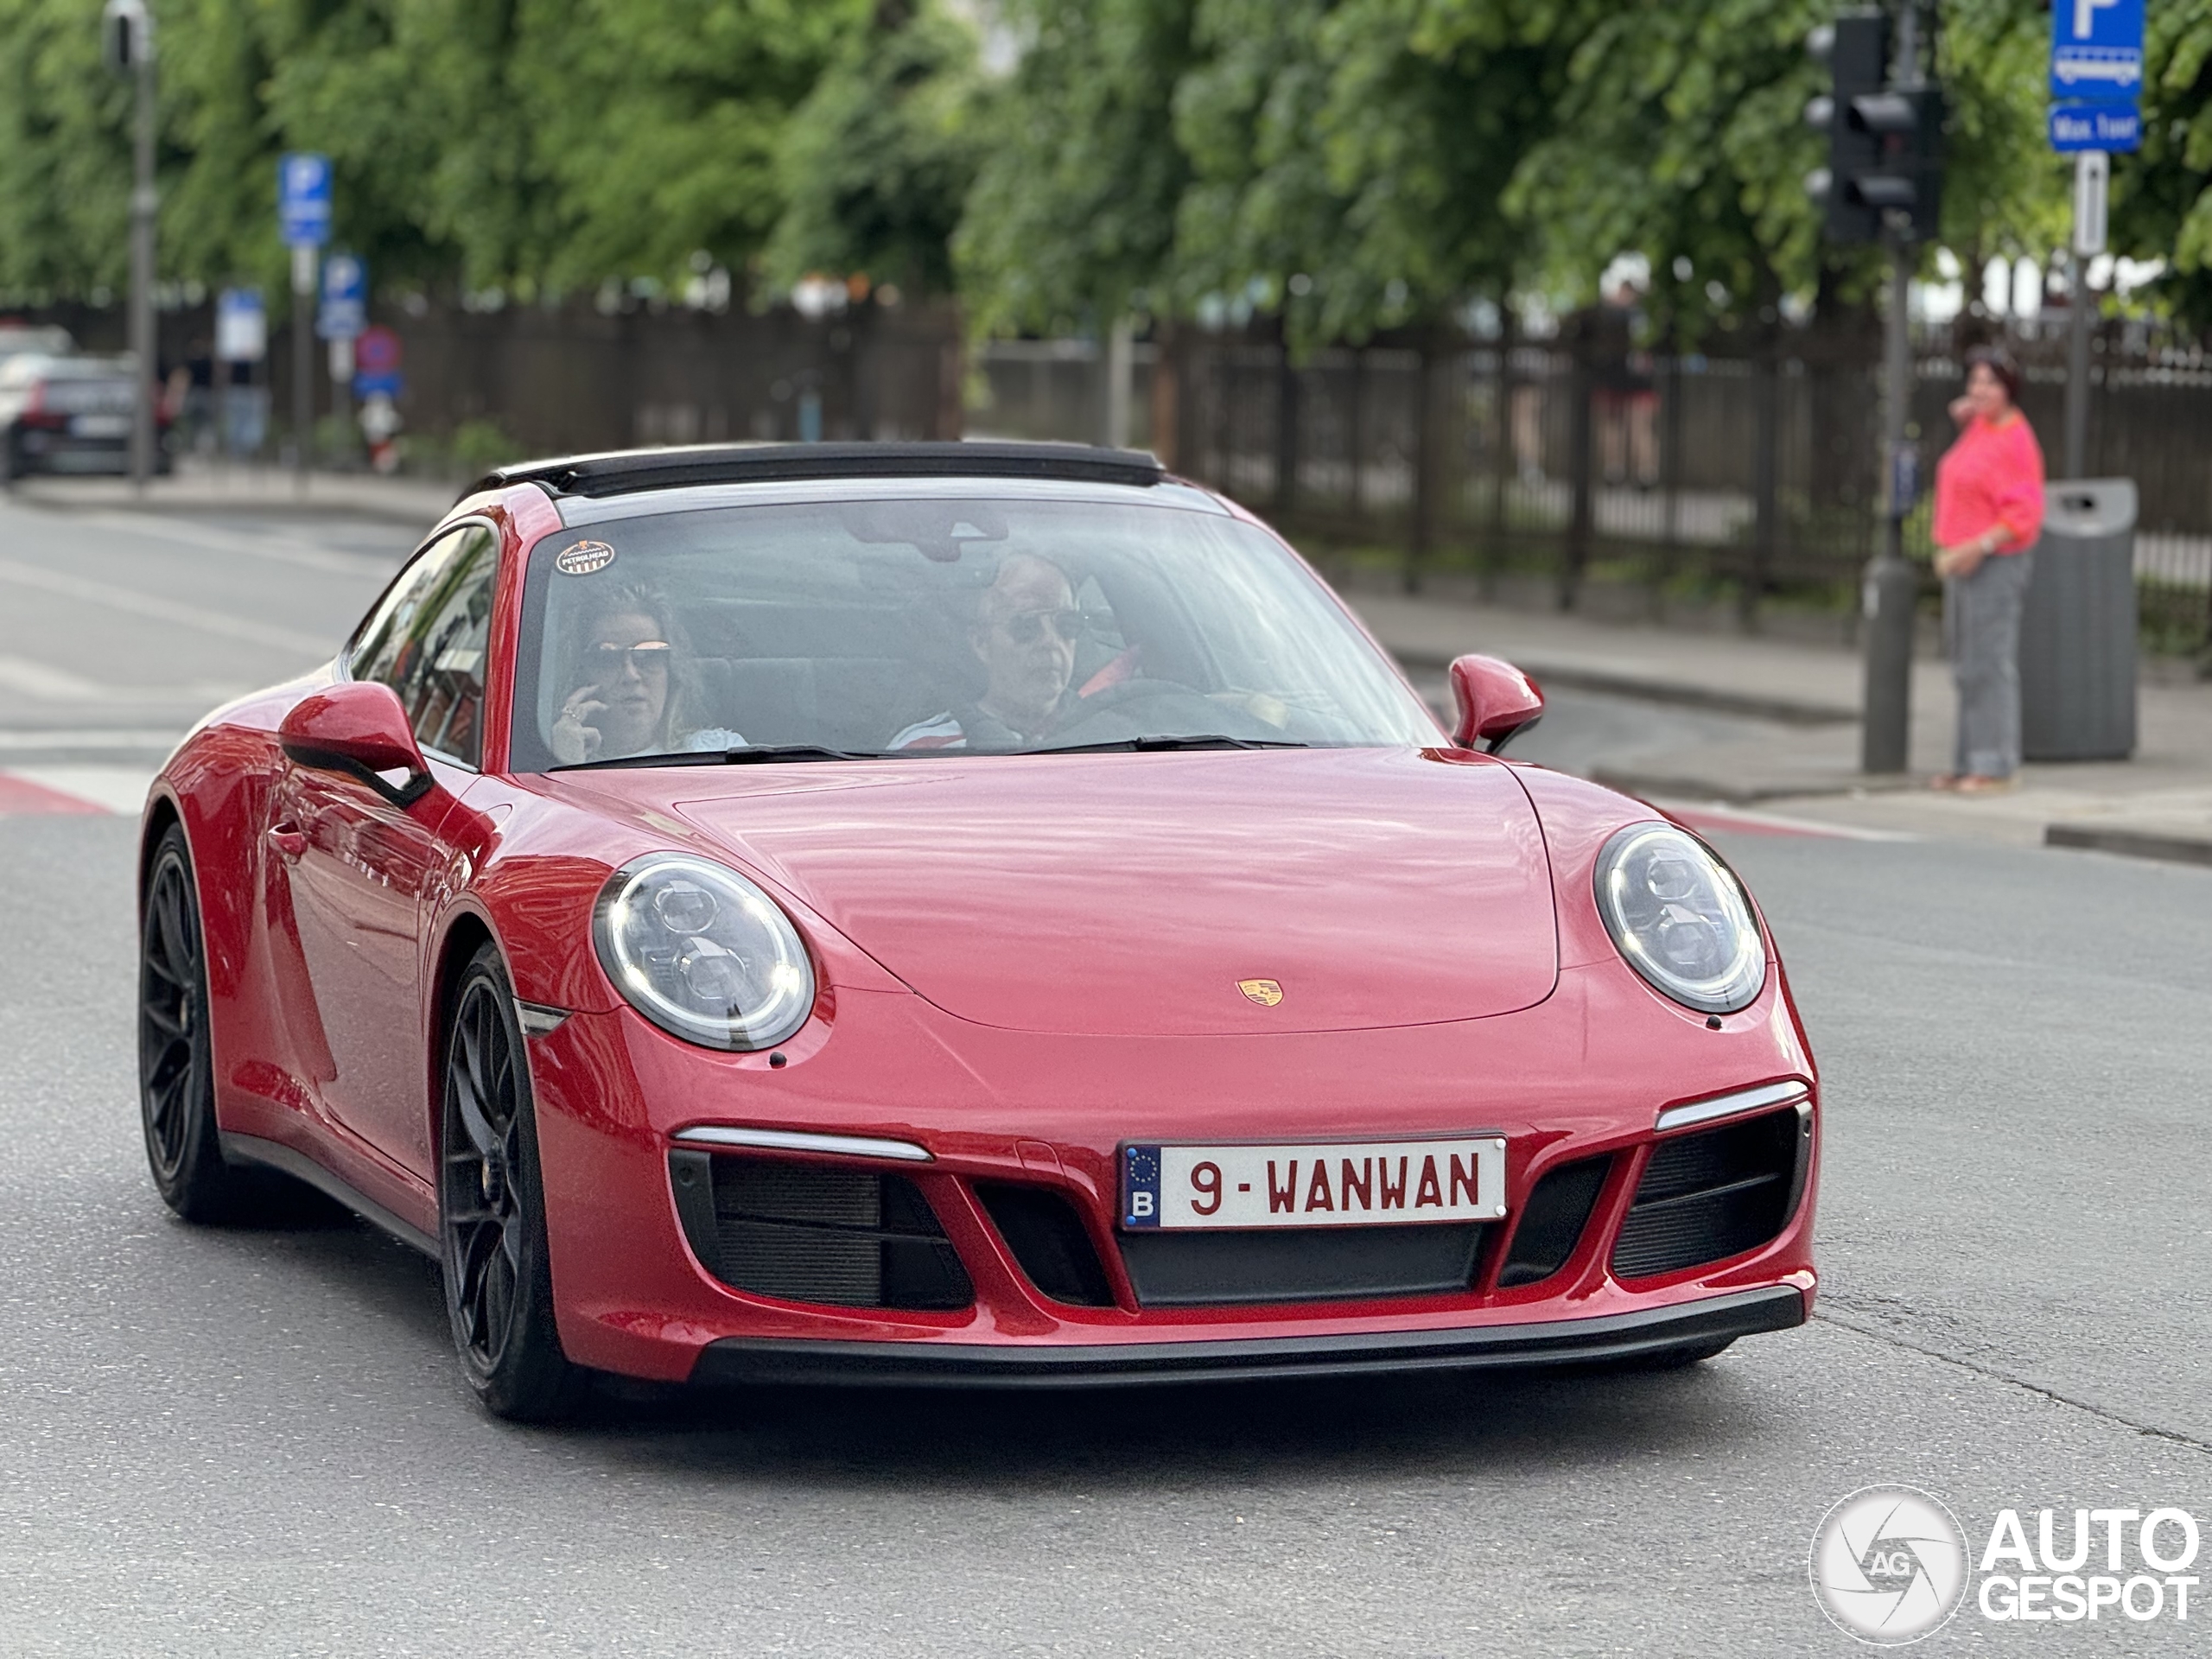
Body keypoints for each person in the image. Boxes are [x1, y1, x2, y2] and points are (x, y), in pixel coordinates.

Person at [1929, 346, 2045, 793]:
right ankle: (1966, 761)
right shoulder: (1981, 426)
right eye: (1975, 381)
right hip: (1962, 557)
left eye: (1991, 383)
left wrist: (1980, 545)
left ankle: (1995, 765)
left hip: (1994, 559)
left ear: (2009, 389)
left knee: (1989, 662)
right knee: (1964, 663)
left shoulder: (2016, 439)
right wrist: (1964, 412)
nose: (1980, 390)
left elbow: (2026, 510)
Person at [889, 554, 1086, 750]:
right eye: (1026, 626)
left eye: (1067, 624)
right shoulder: (922, 750)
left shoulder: (1107, 734)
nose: (1050, 641)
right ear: (982, 643)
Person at [548, 582, 745, 764]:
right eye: (607, 657)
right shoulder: (555, 760)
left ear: (672, 670)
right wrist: (566, 765)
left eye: (649, 655)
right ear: (582, 674)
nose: (631, 675)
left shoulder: (721, 752)